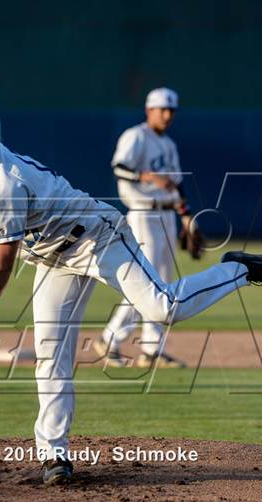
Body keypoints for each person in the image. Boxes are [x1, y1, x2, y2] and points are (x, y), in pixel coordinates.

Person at [0, 100, 262, 486]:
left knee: (164, 307)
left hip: (97, 238)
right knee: (51, 354)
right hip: (54, 260)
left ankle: (240, 269)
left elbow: (1, 268)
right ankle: (53, 455)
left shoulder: (3, 183)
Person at [94, 87, 190, 368]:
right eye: (163, 109)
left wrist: (186, 217)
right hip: (143, 214)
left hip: (167, 215)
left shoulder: (169, 145)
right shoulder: (136, 136)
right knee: (147, 283)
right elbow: (119, 167)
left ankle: (151, 350)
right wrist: (145, 175)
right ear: (149, 110)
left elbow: (177, 183)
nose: (168, 115)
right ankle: (109, 338)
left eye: (171, 110)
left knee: (164, 284)